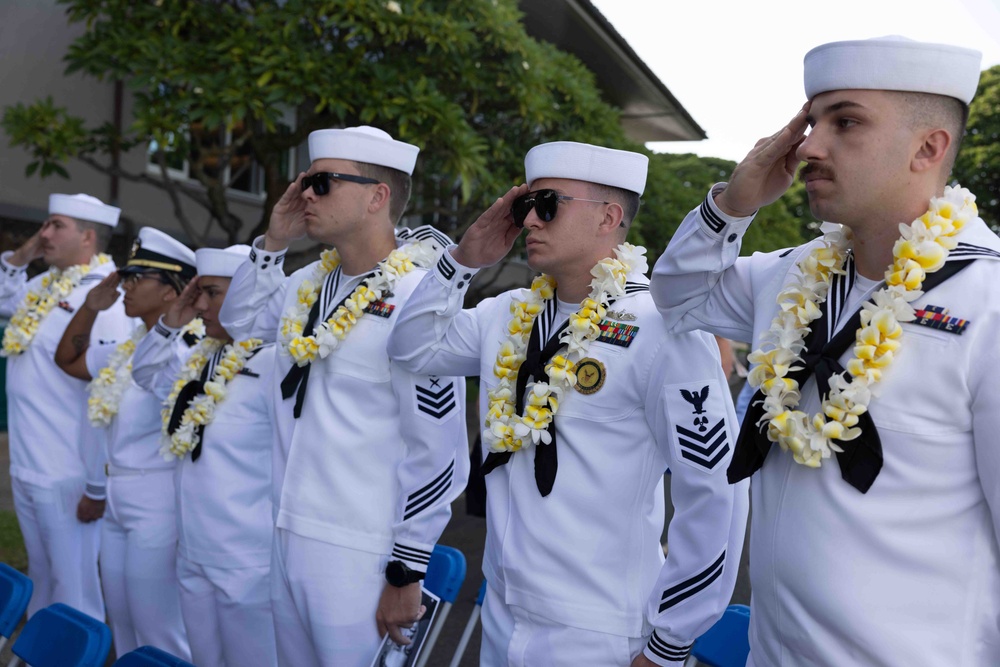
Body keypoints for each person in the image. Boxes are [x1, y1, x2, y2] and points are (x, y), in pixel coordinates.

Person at [651, 37, 999, 666]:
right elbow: (678, 298)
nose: (809, 146)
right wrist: (733, 205)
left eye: (845, 121)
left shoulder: (990, 304)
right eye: (811, 124)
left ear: (929, 147)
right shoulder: (790, 277)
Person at [387, 141, 748, 667]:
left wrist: (671, 641)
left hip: (598, 628)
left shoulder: (661, 327)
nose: (530, 219)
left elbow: (716, 492)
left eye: (549, 203)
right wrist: (461, 261)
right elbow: (412, 348)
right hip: (502, 611)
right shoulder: (507, 313)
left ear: (609, 217)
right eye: (524, 206)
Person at [218, 126, 469, 666]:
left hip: (362, 550)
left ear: (377, 196)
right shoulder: (306, 280)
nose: (305, 193)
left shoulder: (420, 302)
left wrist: (407, 567)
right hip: (286, 532)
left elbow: (439, 454)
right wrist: (274, 243)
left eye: (323, 182)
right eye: (307, 181)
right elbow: (238, 321)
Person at [130, 244, 278, 667]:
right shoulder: (203, 358)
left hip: (247, 562)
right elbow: (145, 374)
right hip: (194, 550)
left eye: (211, 293)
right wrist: (170, 322)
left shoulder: (274, 364)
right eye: (198, 293)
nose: (200, 304)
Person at [54, 227, 194, 658]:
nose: (127, 286)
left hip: (158, 499)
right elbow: (68, 359)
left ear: (172, 293)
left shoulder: (187, 352)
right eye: (127, 276)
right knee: (124, 625)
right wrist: (92, 308)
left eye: (139, 278)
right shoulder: (127, 348)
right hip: (117, 499)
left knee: (160, 631)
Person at [0, 193, 132, 618]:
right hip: (28, 460)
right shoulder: (43, 285)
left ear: (88, 237)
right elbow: (4, 299)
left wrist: (96, 483)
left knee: (73, 586)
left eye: (56, 225)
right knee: (40, 576)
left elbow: (106, 394)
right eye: (45, 224)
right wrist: (22, 256)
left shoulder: (106, 298)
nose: (44, 233)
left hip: (68, 469)